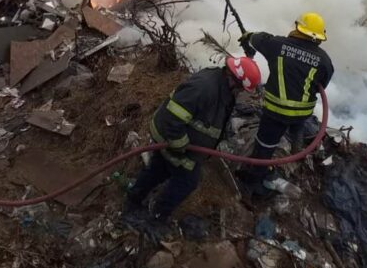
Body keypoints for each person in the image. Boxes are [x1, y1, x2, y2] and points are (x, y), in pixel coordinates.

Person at [122, 56, 261, 237]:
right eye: (242, 88)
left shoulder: (222, 86)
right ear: (235, 81)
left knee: (159, 169)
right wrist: (181, 146)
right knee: (187, 181)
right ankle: (157, 217)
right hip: (172, 138)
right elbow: (172, 117)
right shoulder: (204, 88)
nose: (242, 92)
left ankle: (133, 200)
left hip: (181, 140)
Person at [236, 12, 334, 197]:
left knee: (264, 146)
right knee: (296, 126)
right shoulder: (325, 60)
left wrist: (248, 36)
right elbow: (323, 84)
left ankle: (254, 180)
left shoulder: (277, 44)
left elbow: (258, 38)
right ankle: (297, 146)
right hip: (301, 114)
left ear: (299, 28)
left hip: (275, 112)